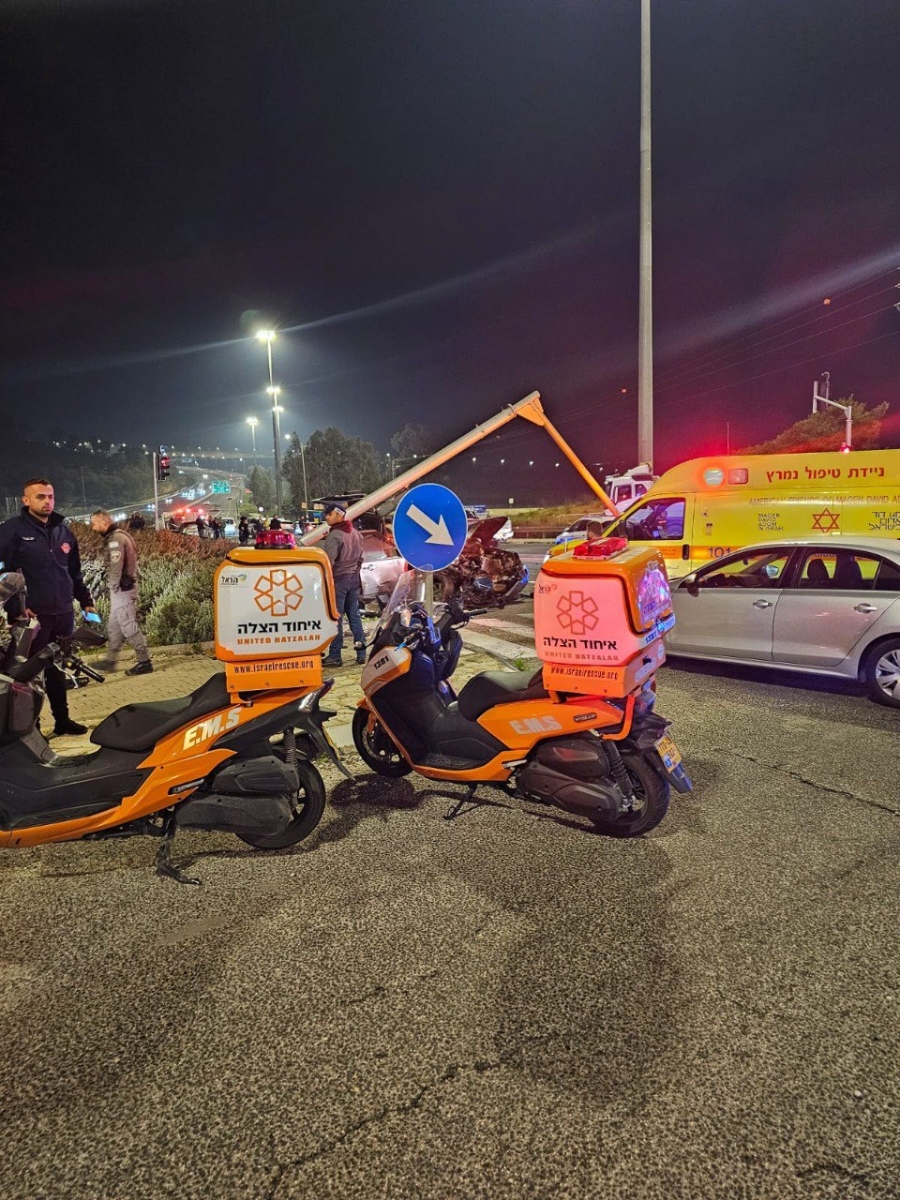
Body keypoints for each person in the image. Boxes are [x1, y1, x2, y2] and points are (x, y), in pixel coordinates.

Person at [0, 478, 95, 735]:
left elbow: (74, 572)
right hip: (32, 616)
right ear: (26, 500)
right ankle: (32, 729)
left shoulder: (64, 531)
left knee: (57, 668)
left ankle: (62, 720)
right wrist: (16, 608)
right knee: (29, 674)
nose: (47, 501)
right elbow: (3, 574)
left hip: (63, 612)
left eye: (50, 496)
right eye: (40, 497)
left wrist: (86, 601)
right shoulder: (12, 531)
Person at [89, 510, 153, 677]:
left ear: (104, 522)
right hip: (121, 589)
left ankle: (144, 661)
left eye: (94, 523)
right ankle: (110, 660)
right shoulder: (119, 536)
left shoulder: (116, 540)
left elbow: (116, 565)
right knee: (114, 626)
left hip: (122, 590)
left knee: (128, 625)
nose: (93, 528)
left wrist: (112, 586)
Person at [321, 502, 366, 667]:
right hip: (353, 579)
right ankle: (361, 653)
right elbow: (360, 559)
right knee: (354, 616)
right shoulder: (356, 534)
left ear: (339, 515)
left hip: (339, 580)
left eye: (330, 514)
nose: (327, 517)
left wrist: (326, 581)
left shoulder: (335, 536)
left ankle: (335, 655)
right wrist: (354, 573)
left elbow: (328, 562)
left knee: (336, 618)